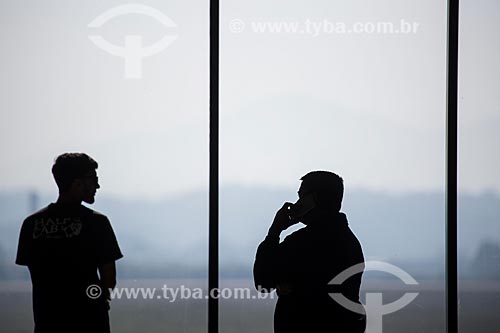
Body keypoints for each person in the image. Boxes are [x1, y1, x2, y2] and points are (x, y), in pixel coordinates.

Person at [16, 153, 123, 333]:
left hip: (48, 323)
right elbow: (109, 279)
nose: (97, 185)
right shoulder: (97, 222)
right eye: (93, 179)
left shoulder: (31, 224)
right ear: (77, 183)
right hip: (91, 323)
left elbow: (36, 274)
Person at [253, 171, 366, 333]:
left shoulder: (301, 243)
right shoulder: (350, 242)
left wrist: (274, 231)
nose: (297, 203)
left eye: (301, 197)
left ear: (314, 199)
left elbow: (263, 282)